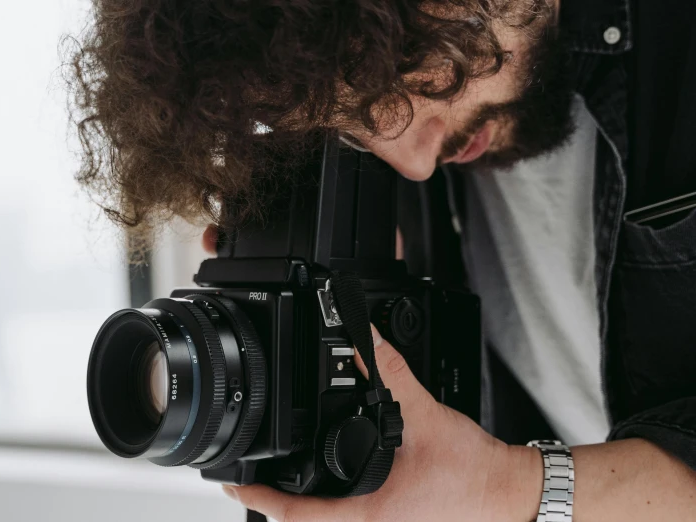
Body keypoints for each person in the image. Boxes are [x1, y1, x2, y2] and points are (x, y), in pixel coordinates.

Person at [67, 0, 696, 520]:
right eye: (352, 126)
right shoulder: (410, 127)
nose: (415, 162)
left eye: (416, 70)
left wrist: (508, 487)